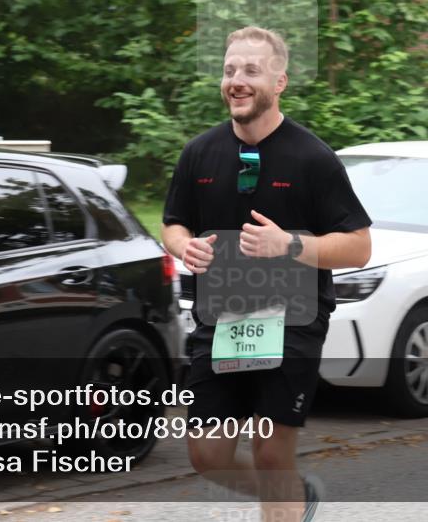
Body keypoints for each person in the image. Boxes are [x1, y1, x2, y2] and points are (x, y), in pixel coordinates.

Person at [162, 26, 371, 520]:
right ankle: (295, 497)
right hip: (221, 321)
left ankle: (283, 497)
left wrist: (291, 244)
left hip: (292, 320)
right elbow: (174, 222)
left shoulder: (312, 158)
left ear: (280, 83)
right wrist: (183, 246)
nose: (237, 80)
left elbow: (359, 246)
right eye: (230, 69)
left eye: (251, 71)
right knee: (207, 455)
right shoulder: (199, 154)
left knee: (271, 453)